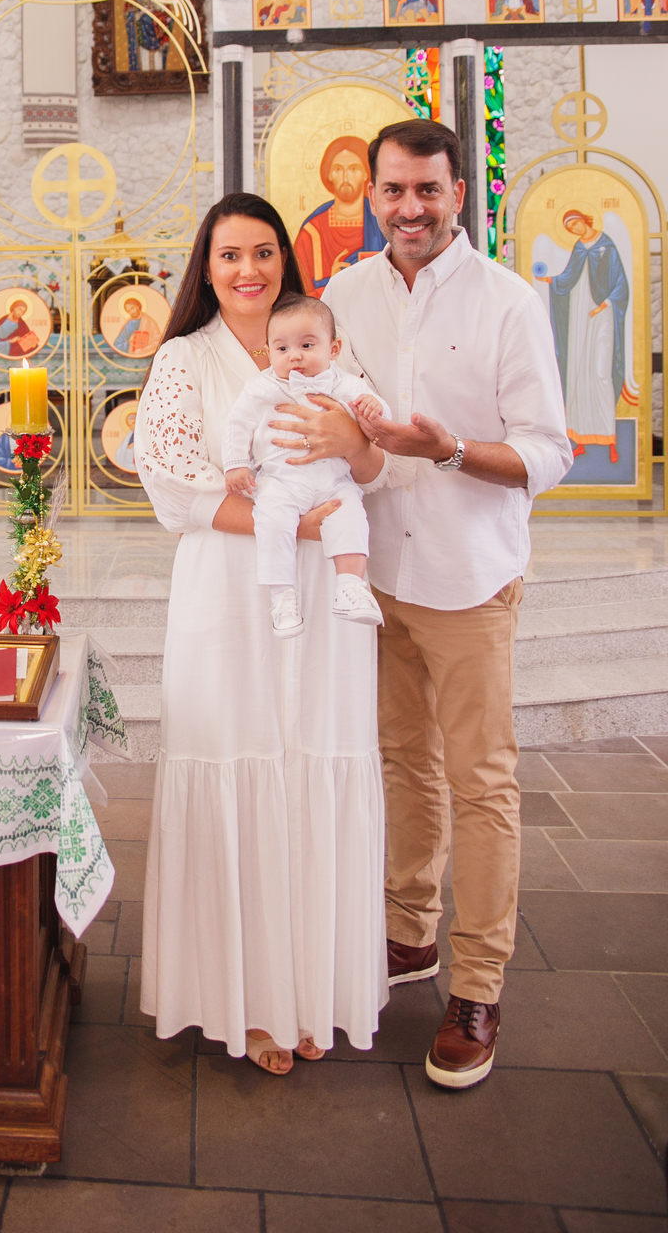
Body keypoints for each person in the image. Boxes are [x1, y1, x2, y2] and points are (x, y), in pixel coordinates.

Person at [285, 119, 572, 1089]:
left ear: (460, 194)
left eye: (429, 191)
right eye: (394, 191)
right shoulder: (347, 295)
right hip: (379, 576)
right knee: (403, 762)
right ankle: (409, 934)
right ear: (371, 194)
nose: (410, 208)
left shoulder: (508, 302)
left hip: (469, 577)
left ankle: (480, 982)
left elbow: (548, 451)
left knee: (482, 781)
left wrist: (445, 451)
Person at [134, 191, 389, 1075]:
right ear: (206, 269)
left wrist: (350, 447)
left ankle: (306, 992)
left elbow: (376, 460)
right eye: (230, 255)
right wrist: (303, 527)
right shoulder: (182, 359)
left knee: (313, 755)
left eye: (264, 253)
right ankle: (240, 1005)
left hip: (324, 593)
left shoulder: (319, 345)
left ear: (288, 259)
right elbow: (177, 493)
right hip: (229, 587)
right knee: (238, 757)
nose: (249, 270)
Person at [222, 292, 386, 635]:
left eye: (307, 345)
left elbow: (375, 412)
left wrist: (373, 408)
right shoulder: (262, 387)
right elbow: (238, 424)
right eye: (282, 349)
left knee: (352, 514)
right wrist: (236, 465)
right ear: (269, 352)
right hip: (281, 479)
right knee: (272, 521)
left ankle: (350, 586)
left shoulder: (345, 383)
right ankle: (282, 597)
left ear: (333, 349)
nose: (294, 356)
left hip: (334, 479)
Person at [545, 209, 629, 463]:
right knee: (579, 372)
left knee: (601, 373)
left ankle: (610, 439)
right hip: (579, 316)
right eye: (570, 228)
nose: (575, 230)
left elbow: (621, 284)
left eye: (576, 224)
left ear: (585, 220)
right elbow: (569, 278)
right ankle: (580, 438)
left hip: (602, 315)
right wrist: (551, 280)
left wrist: (605, 305)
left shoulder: (607, 247)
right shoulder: (579, 248)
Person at [295, 134, 386, 295]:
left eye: (353, 168)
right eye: (338, 169)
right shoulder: (312, 232)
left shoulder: (383, 224)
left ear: (366, 173)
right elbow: (296, 298)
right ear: (328, 174)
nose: (346, 177)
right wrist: (334, 283)